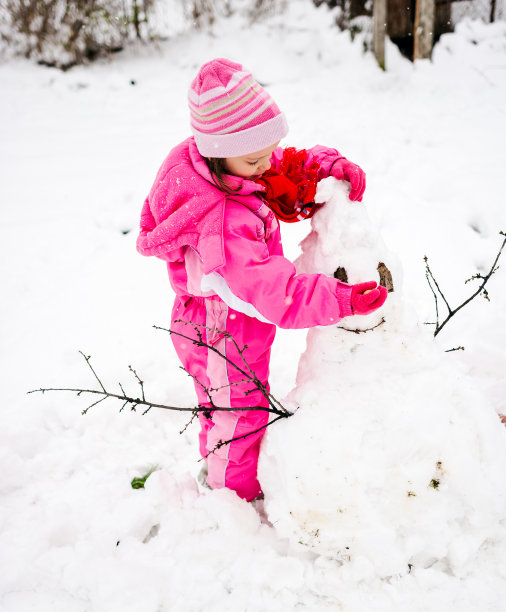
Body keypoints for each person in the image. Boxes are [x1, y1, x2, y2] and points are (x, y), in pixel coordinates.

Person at [136, 58, 388, 502]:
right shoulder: (223, 223)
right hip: (220, 328)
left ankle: (221, 477)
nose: (266, 163)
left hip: (231, 321)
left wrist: (326, 169)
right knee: (239, 416)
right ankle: (234, 499)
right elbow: (275, 293)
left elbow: (279, 170)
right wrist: (342, 298)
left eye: (270, 149)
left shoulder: (232, 165)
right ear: (218, 156)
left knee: (226, 408)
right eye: (255, 158)